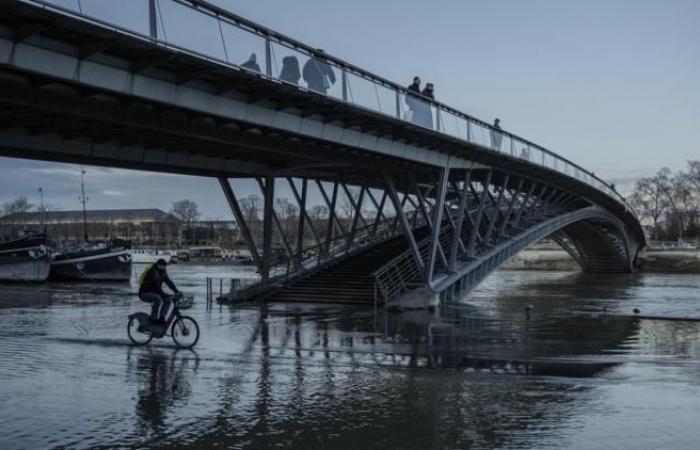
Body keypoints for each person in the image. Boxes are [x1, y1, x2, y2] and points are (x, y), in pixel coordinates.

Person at [139, 258, 179, 324]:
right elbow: (156, 286)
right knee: (157, 299)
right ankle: (153, 319)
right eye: (163, 266)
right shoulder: (152, 271)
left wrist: (176, 291)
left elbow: (168, 282)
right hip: (145, 293)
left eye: (165, 266)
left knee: (168, 300)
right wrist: (163, 294)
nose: (164, 267)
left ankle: (161, 318)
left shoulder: (163, 272)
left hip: (155, 292)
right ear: (158, 265)